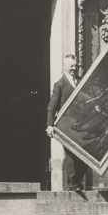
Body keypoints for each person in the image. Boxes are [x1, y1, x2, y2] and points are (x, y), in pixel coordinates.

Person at [46, 54, 87, 191]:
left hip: (81, 125)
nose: (74, 68)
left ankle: (77, 180)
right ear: (64, 67)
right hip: (66, 125)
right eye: (71, 66)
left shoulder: (81, 81)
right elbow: (52, 106)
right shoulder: (60, 85)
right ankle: (72, 184)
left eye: (75, 66)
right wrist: (49, 125)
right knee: (70, 154)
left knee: (85, 152)